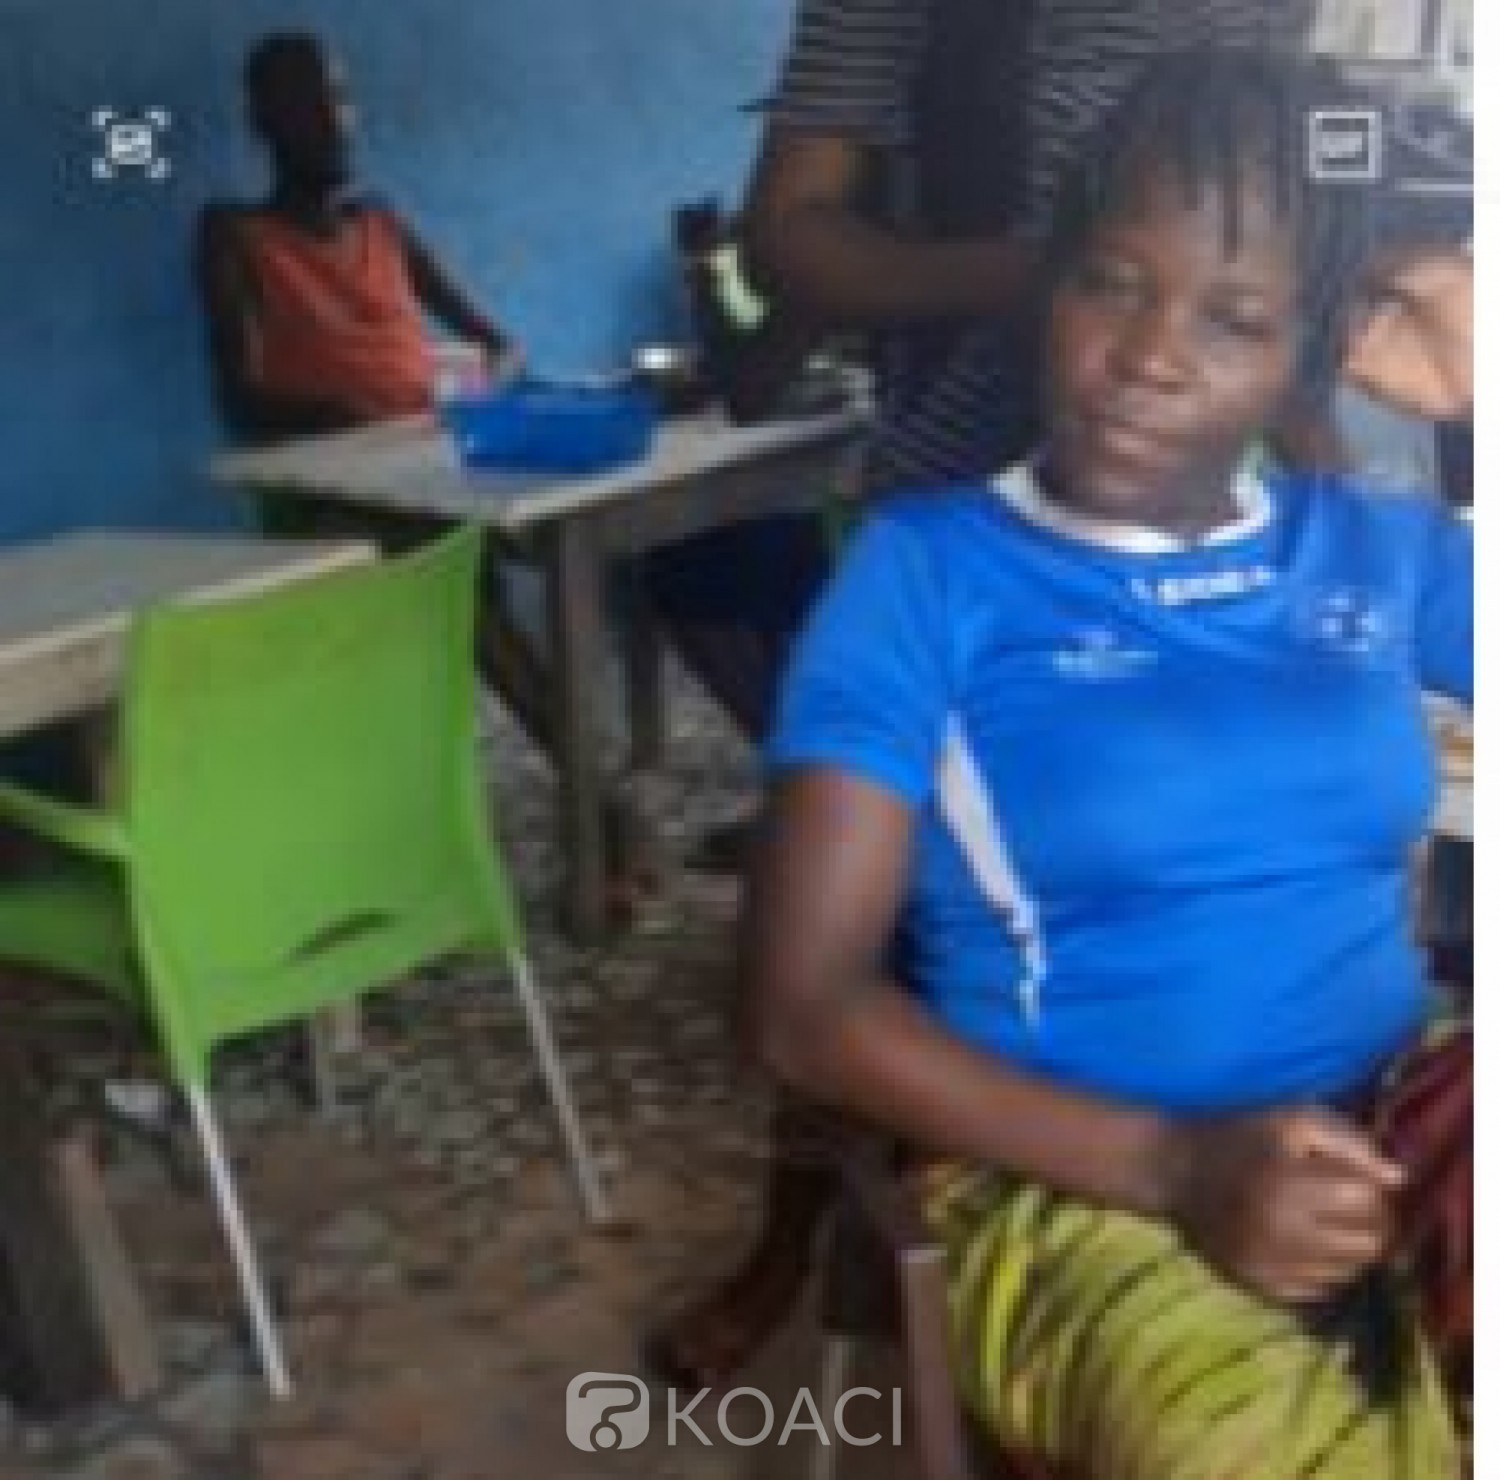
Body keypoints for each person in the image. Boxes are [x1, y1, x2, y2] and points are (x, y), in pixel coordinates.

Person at [647, 0, 1474, 1388]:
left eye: (1236, 317)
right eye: (1110, 283)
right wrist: (1173, 1166)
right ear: (1052, 283)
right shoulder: (927, 574)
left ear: (1308, 344)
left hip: (1387, 1121)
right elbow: (801, 1006)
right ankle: (800, 1254)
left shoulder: (1372, 546)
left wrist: (1481, 394)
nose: (1152, 351)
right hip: (1100, 1176)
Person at [196, 32, 662, 904]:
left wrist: (466, 393)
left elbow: (496, 343)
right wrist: (337, 415)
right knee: (466, 594)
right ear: (263, 120)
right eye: (305, 102)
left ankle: (594, 805)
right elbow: (240, 395)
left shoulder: (381, 223)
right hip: (331, 490)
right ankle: (601, 806)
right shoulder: (234, 234)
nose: (333, 120)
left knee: (558, 540)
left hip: (431, 466)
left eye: (340, 98)